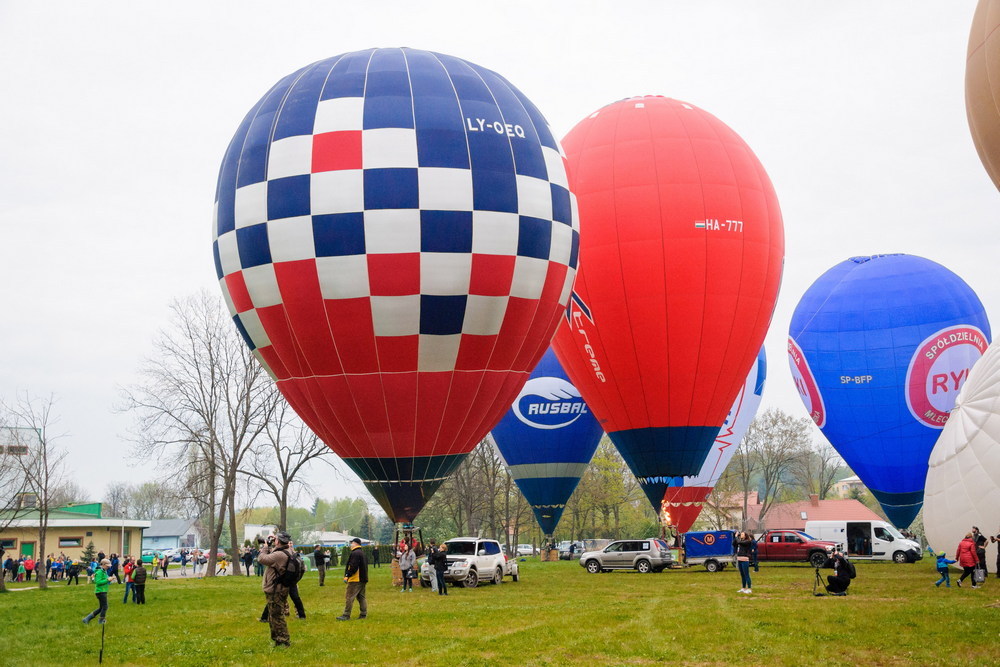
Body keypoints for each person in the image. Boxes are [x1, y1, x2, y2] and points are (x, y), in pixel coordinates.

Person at [258, 532, 294, 647]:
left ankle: (283, 640)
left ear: (278, 541)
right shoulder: (288, 551)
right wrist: (274, 543)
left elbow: (262, 559)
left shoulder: (279, 555)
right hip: (281, 587)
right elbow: (274, 555)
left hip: (275, 589)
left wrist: (264, 547)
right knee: (274, 615)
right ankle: (278, 639)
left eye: (276, 540)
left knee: (277, 616)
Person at [337, 537, 368, 620]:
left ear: (355, 543)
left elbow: (353, 566)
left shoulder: (355, 553)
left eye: (352, 543)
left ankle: (346, 615)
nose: (351, 545)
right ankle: (363, 614)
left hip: (355, 579)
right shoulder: (362, 553)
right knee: (361, 597)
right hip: (363, 578)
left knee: (349, 597)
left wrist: (347, 575)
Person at [82, 558, 112, 625]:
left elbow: (103, 579)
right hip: (100, 592)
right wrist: (107, 580)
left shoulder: (104, 571)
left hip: (103, 591)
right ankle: (101, 621)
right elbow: (98, 582)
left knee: (101, 607)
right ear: (103, 565)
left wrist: (109, 579)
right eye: (107, 566)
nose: (108, 567)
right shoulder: (99, 572)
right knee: (105, 606)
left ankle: (87, 618)